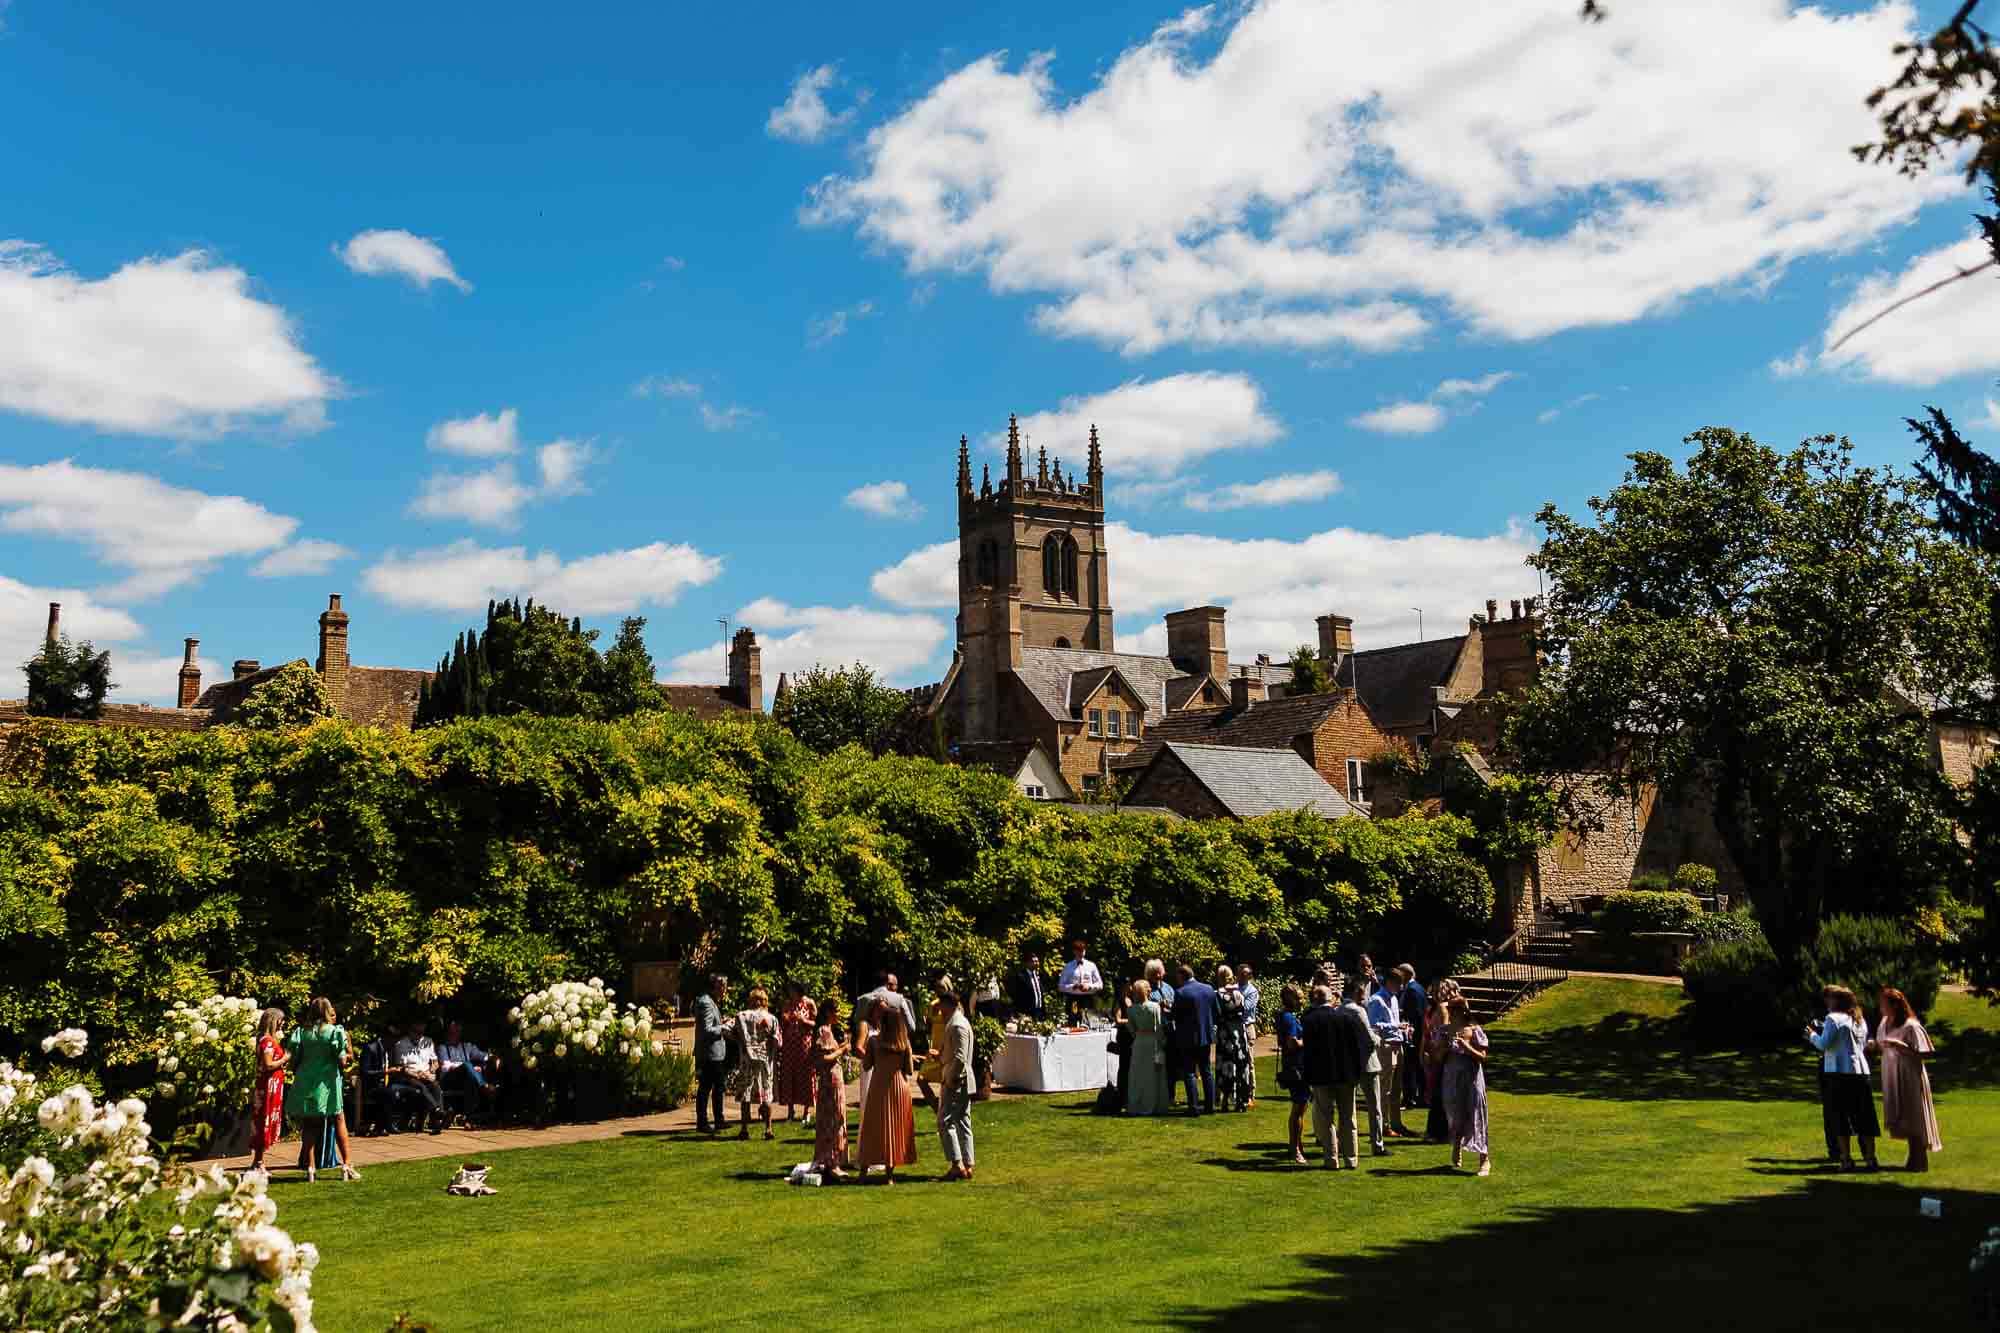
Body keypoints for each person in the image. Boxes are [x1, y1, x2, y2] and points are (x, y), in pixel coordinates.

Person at [285, 997, 359, 1182]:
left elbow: (294, 1058)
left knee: (310, 1125)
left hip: (307, 1080)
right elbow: (342, 1060)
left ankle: (310, 1168)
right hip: (328, 1080)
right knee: (339, 1118)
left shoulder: (302, 1032)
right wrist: (347, 1058)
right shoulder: (335, 1032)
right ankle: (347, 1165)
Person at [1302, 982, 1374, 1170]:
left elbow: (1308, 1053)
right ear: (1331, 999)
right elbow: (1360, 1046)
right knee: (1348, 1117)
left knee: (1325, 1118)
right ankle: (1351, 1159)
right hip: (1346, 1076)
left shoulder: (1309, 1021)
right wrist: (1357, 1071)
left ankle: (1331, 1157)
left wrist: (1307, 1076)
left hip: (1322, 1077)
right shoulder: (1346, 1018)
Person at [1807, 985, 1878, 1171]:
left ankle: (1846, 1158)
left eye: (1829, 999)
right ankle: (1870, 1158)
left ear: (1836, 1001)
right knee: (1864, 1115)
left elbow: (1824, 1044)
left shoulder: (1832, 1018)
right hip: (1860, 1071)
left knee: (1840, 1116)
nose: (1826, 1002)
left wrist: (1812, 1035)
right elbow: (1861, 1045)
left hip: (1838, 1071)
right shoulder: (1859, 1019)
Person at [1870, 986, 1940, 1172]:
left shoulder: (1911, 1025)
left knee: (1914, 1115)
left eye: (1884, 1004)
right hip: (1892, 1074)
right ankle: (1913, 1159)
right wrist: (1872, 1045)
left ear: (1894, 1005)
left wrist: (1901, 1046)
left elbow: (1926, 1053)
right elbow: (1880, 1044)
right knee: (1904, 1118)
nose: (1880, 1007)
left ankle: (1920, 1160)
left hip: (1910, 1075)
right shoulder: (1884, 1022)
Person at [858, 1003, 918, 1184]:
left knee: (872, 1129)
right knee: (895, 1130)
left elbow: (867, 1065)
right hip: (899, 1088)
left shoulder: (874, 1041)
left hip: (879, 1087)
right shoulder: (904, 1042)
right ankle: (889, 1175)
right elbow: (909, 1070)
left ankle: (863, 1173)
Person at [1442, 996, 1491, 1176]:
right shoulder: (1445, 1030)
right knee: (1455, 1112)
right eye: (1450, 1009)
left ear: (1462, 1011)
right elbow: (1437, 1057)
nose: (1450, 1012)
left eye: (1454, 1009)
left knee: (1477, 1113)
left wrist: (1466, 1046)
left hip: (1471, 1076)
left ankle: (1484, 1159)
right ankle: (1456, 1147)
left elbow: (1482, 1057)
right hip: (1452, 1076)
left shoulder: (1474, 1030)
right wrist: (1444, 1047)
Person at [935, 982, 977, 1181]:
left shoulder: (958, 1024)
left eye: (941, 1006)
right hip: (959, 1078)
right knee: (962, 1120)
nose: (939, 1011)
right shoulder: (957, 1021)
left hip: (957, 1080)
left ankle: (957, 1164)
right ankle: (967, 1164)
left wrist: (950, 1078)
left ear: (948, 1005)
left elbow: (960, 1057)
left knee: (946, 1121)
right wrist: (941, 1056)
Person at [1364, 972, 1413, 1137]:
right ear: (1390, 982)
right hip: (1386, 1047)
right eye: (1399, 983)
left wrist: (1404, 1029)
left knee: (1396, 1089)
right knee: (1385, 1089)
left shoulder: (1393, 998)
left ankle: (1396, 1123)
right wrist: (1395, 1026)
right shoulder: (1376, 1000)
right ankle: (1383, 1125)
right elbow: (1373, 1025)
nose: (1401, 987)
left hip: (1398, 1045)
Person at [1342, 980, 1386, 1157]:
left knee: (1347, 1108)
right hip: (1366, 1062)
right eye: (1362, 991)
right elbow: (1369, 1038)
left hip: (1349, 1062)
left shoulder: (1339, 1010)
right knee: (1374, 1106)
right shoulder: (1358, 1010)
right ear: (1355, 992)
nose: (1365, 995)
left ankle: (1347, 1145)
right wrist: (1378, 1037)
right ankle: (1378, 1145)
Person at [733, 986, 782, 1141]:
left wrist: (742, 1043)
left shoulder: (741, 1016)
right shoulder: (771, 1018)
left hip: (747, 1060)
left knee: (745, 1093)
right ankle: (768, 1128)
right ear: (765, 1001)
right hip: (764, 1061)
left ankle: (744, 1129)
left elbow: (728, 1031)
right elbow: (777, 1041)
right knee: (766, 1093)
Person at [810, 998, 849, 1181]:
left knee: (833, 1118)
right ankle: (832, 1161)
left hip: (833, 1078)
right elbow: (822, 1059)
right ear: (828, 1012)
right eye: (836, 1011)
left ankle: (832, 1159)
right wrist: (841, 1051)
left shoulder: (828, 1030)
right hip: (830, 1078)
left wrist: (841, 1047)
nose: (838, 1015)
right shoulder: (823, 1031)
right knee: (833, 1119)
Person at [1171, 964, 1217, 1115]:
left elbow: (1174, 1016)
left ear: (1182, 975)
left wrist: (1167, 1008)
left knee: (1190, 1072)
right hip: (1205, 1036)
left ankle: (1194, 1107)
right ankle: (1210, 1106)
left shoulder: (1181, 993)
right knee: (1206, 1071)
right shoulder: (1209, 989)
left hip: (1187, 1038)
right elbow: (1216, 1011)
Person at [249, 1007, 290, 1173]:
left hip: (271, 1087)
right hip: (268, 1088)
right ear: (274, 1021)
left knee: (264, 1122)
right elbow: (268, 1065)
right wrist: (285, 1058)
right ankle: (259, 1162)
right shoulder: (267, 1041)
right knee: (263, 1123)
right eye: (281, 1020)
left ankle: (258, 1162)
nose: (283, 1023)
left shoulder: (266, 1040)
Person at [390, 1017, 447, 1134]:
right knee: (422, 1088)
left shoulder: (428, 1041)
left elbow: (435, 1062)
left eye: (421, 1032)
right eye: (417, 1032)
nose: (419, 1035)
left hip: (426, 1075)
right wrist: (418, 1074)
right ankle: (437, 1111)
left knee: (436, 1087)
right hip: (409, 1077)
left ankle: (437, 1121)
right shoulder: (401, 1044)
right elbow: (401, 1068)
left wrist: (431, 1071)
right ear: (410, 1030)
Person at [437, 1020, 498, 1121]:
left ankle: (469, 1118)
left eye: (458, 1030)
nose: (456, 1032)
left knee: (471, 1079)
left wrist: (494, 1057)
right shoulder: (442, 1048)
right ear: (448, 1032)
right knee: (467, 1066)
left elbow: (482, 1055)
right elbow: (445, 1067)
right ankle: (484, 1086)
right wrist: (470, 1068)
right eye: (453, 1030)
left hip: (465, 1080)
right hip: (449, 1080)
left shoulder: (467, 1046)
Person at [1422, 980, 1460, 1143]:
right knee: (1436, 1092)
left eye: (1440, 990)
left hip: (1440, 1055)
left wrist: (1437, 1052)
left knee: (1439, 1092)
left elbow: (1444, 1032)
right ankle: (1437, 1131)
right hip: (1435, 1052)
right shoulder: (1434, 1009)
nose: (1436, 993)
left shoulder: (1443, 1008)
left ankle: (1439, 1131)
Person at [1274, 984, 1309, 1163]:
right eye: (1299, 998)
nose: (1302, 1001)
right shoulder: (1288, 1018)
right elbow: (1291, 1043)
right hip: (1297, 1067)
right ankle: (1294, 1148)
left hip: (1292, 1065)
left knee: (1299, 1108)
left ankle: (1297, 1144)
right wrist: (1309, 1040)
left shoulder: (1283, 1016)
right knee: (1299, 1109)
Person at [693, 975, 731, 1135]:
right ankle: (703, 1123)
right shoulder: (706, 1002)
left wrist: (722, 1023)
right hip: (710, 1053)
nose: (724, 990)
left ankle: (719, 1120)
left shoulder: (710, 1001)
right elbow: (707, 1029)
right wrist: (723, 1027)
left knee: (718, 1087)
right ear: (715, 986)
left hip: (714, 1052)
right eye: (722, 987)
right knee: (706, 1088)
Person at [1124, 979, 1167, 1116]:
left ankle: (1136, 1103)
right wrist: (1161, 1043)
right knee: (1153, 1073)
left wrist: (1137, 1035)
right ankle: (1154, 1103)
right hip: (1152, 1041)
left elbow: (1130, 1028)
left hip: (1139, 1041)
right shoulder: (1155, 1007)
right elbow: (1159, 1027)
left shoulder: (1131, 1009)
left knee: (1138, 1074)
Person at [777, 981, 818, 1126]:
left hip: (804, 1044)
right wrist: (786, 1019)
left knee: (806, 1075)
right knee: (789, 1075)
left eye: (792, 989)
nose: (790, 992)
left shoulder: (809, 1003)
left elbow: (817, 1023)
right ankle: (790, 1111)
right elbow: (782, 1023)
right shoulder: (787, 1004)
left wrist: (804, 1020)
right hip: (789, 1045)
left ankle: (807, 1112)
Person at [1214, 966, 1252, 1113]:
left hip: (1225, 1034)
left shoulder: (1217, 994)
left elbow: (1216, 1014)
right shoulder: (1239, 993)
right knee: (1241, 1066)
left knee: (1225, 1067)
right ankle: (1240, 1102)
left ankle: (1224, 1101)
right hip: (1239, 1033)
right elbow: (1244, 1011)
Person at [1146, 960, 1177, 1106]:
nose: (1158, 975)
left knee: (1171, 1065)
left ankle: (1171, 1096)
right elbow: (1145, 1008)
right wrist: (1159, 1006)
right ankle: (1156, 1094)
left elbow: (1175, 1006)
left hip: (1170, 1030)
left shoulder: (1169, 988)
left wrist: (1170, 1008)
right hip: (1156, 1031)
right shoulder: (1147, 990)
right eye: (1154, 973)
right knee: (1157, 1064)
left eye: (1159, 971)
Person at [1397, 965, 1427, 1109]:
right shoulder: (1418, 987)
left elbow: (1416, 1015)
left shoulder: (1412, 990)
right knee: (1416, 1066)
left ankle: (1410, 1098)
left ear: (1407, 974)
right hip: (1416, 1033)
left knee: (1410, 1067)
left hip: (1412, 1034)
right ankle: (1420, 1096)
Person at [1058, 938, 1104, 1020]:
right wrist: (1073, 986)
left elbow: (1100, 985)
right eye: (1078, 950)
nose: (1081, 953)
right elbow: (1061, 986)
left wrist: (1089, 987)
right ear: (1074, 951)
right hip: (1073, 999)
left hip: (1088, 998)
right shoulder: (1068, 966)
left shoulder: (1091, 965)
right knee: (1073, 1022)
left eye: (1083, 950)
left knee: (1089, 1022)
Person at [1237, 964, 1261, 1111]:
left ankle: (1250, 1094)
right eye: (1240, 973)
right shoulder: (1234, 987)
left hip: (1247, 1026)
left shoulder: (1252, 991)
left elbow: (1246, 1007)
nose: (1241, 976)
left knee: (1249, 1061)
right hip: (1234, 1026)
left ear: (1249, 976)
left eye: (1245, 974)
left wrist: (1232, 999)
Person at [1008, 954, 1048, 1021]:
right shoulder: (1021, 977)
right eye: (1034, 961)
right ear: (1028, 963)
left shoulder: (1039, 976)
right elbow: (1016, 995)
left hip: (1039, 1010)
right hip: (1027, 1012)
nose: (1037, 963)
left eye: (1037, 961)